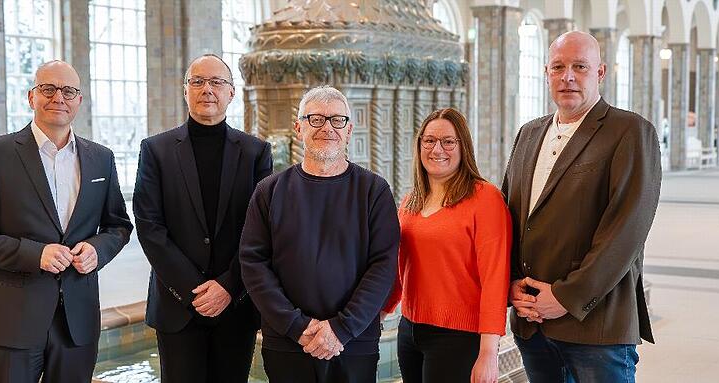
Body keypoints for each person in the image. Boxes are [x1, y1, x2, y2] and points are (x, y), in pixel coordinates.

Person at [0, 60, 133, 383]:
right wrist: (35, 255)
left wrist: (97, 250)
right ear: (31, 97)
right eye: (48, 89)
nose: (58, 97)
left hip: (77, 323)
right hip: (12, 323)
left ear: (79, 100)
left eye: (68, 91)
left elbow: (118, 225)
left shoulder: (101, 158)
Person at [502, 31, 661, 382]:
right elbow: (509, 217)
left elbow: (626, 230)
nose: (567, 76)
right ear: (547, 73)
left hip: (595, 327)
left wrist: (566, 296)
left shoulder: (629, 131)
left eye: (579, 66)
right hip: (533, 324)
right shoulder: (529, 133)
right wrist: (511, 283)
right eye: (558, 67)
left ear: (600, 72)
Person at [239, 85, 400, 383]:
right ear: (299, 128)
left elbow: (384, 266)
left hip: (354, 342)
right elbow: (253, 265)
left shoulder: (374, 191)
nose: (327, 127)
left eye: (337, 120)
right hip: (288, 341)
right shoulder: (269, 192)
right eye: (316, 119)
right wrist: (296, 326)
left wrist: (342, 328)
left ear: (349, 130)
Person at [132, 53, 272, 382]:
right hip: (177, 304)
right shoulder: (156, 150)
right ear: (186, 91)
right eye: (197, 81)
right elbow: (150, 226)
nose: (207, 89)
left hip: (235, 304)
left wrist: (228, 286)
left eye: (217, 82)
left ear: (231, 92)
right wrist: (194, 288)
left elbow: (263, 232)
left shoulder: (255, 152)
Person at [381, 108, 511, 383]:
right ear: (419, 147)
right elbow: (400, 267)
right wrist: (381, 311)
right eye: (429, 141)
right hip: (410, 332)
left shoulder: (485, 198)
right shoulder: (410, 201)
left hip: (458, 338)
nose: (437, 149)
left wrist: (489, 351)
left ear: (463, 146)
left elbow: (495, 278)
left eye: (448, 141)